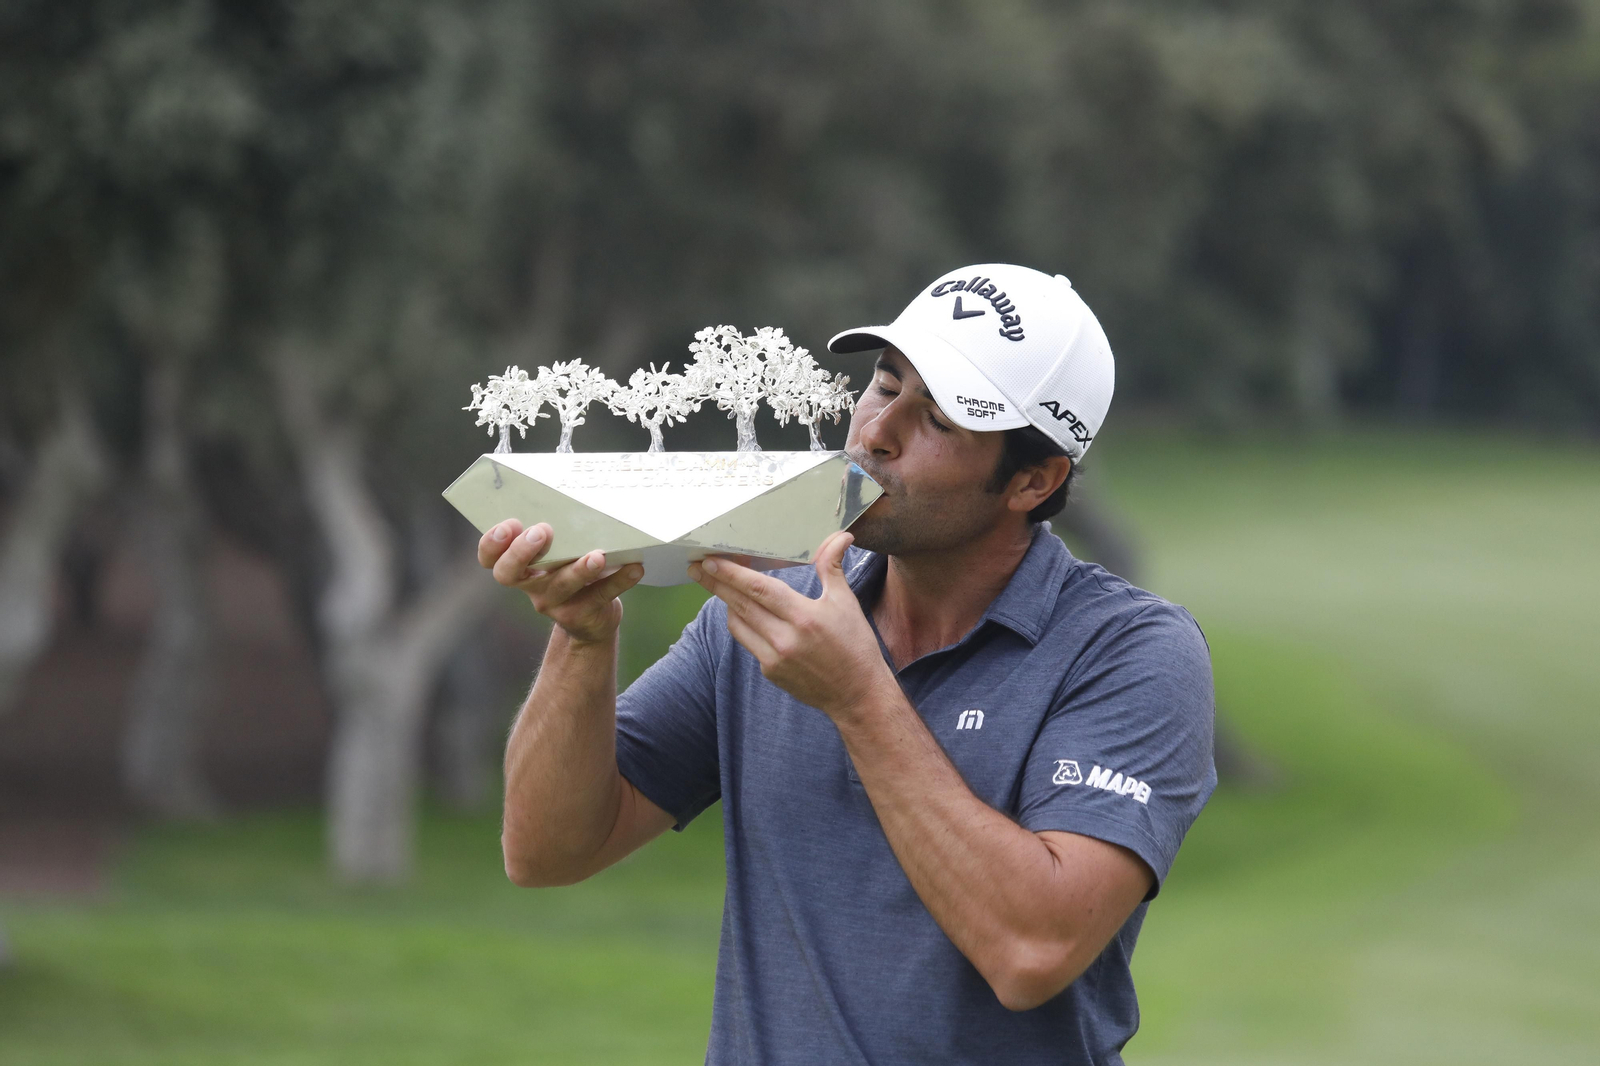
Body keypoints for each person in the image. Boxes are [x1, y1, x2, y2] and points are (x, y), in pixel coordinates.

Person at [478, 264, 1216, 1065]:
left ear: (1033, 481)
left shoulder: (1131, 652)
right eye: (883, 384)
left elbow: (1032, 952)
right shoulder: (773, 604)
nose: (875, 433)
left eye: (937, 419)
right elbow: (548, 851)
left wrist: (858, 698)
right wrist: (585, 640)